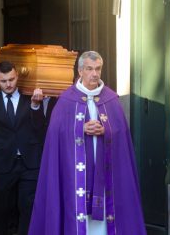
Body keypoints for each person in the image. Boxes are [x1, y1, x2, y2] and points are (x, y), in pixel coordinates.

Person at [28, 51, 146, 235]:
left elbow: (121, 135)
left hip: (106, 178)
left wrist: (106, 130)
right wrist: (79, 129)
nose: (95, 74)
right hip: (74, 180)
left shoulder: (111, 100)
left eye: (98, 69)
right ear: (80, 71)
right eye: (90, 69)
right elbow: (54, 136)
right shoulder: (66, 100)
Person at [0, 61, 45, 235]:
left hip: (29, 163)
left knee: (28, 208)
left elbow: (40, 129)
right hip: (2, 164)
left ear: (17, 77)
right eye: (4, 80)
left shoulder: (31, 98)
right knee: (2, 211)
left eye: (12, 79)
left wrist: (36, 106)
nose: (8, 84)